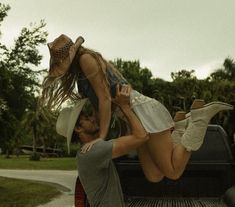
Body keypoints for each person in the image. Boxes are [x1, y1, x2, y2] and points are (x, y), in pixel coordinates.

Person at [41, 34, 234, 182]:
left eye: (60, 61)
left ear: (70, 55)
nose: (59, 67)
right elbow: (98, 108)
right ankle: (181, 128)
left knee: (173, 172)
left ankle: (198, 120)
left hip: (141, 111)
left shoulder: (85, 60)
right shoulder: (79, 74)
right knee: (154, 176)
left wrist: (101, 138)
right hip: (133, 117)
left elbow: (105, 99)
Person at [56, 85, 149, 207]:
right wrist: (124, 106)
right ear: (78, 128)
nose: (93, 118)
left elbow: (128, 137)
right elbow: (142, 136)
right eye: (87, 118)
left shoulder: (86, 152)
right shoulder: (94, 151)